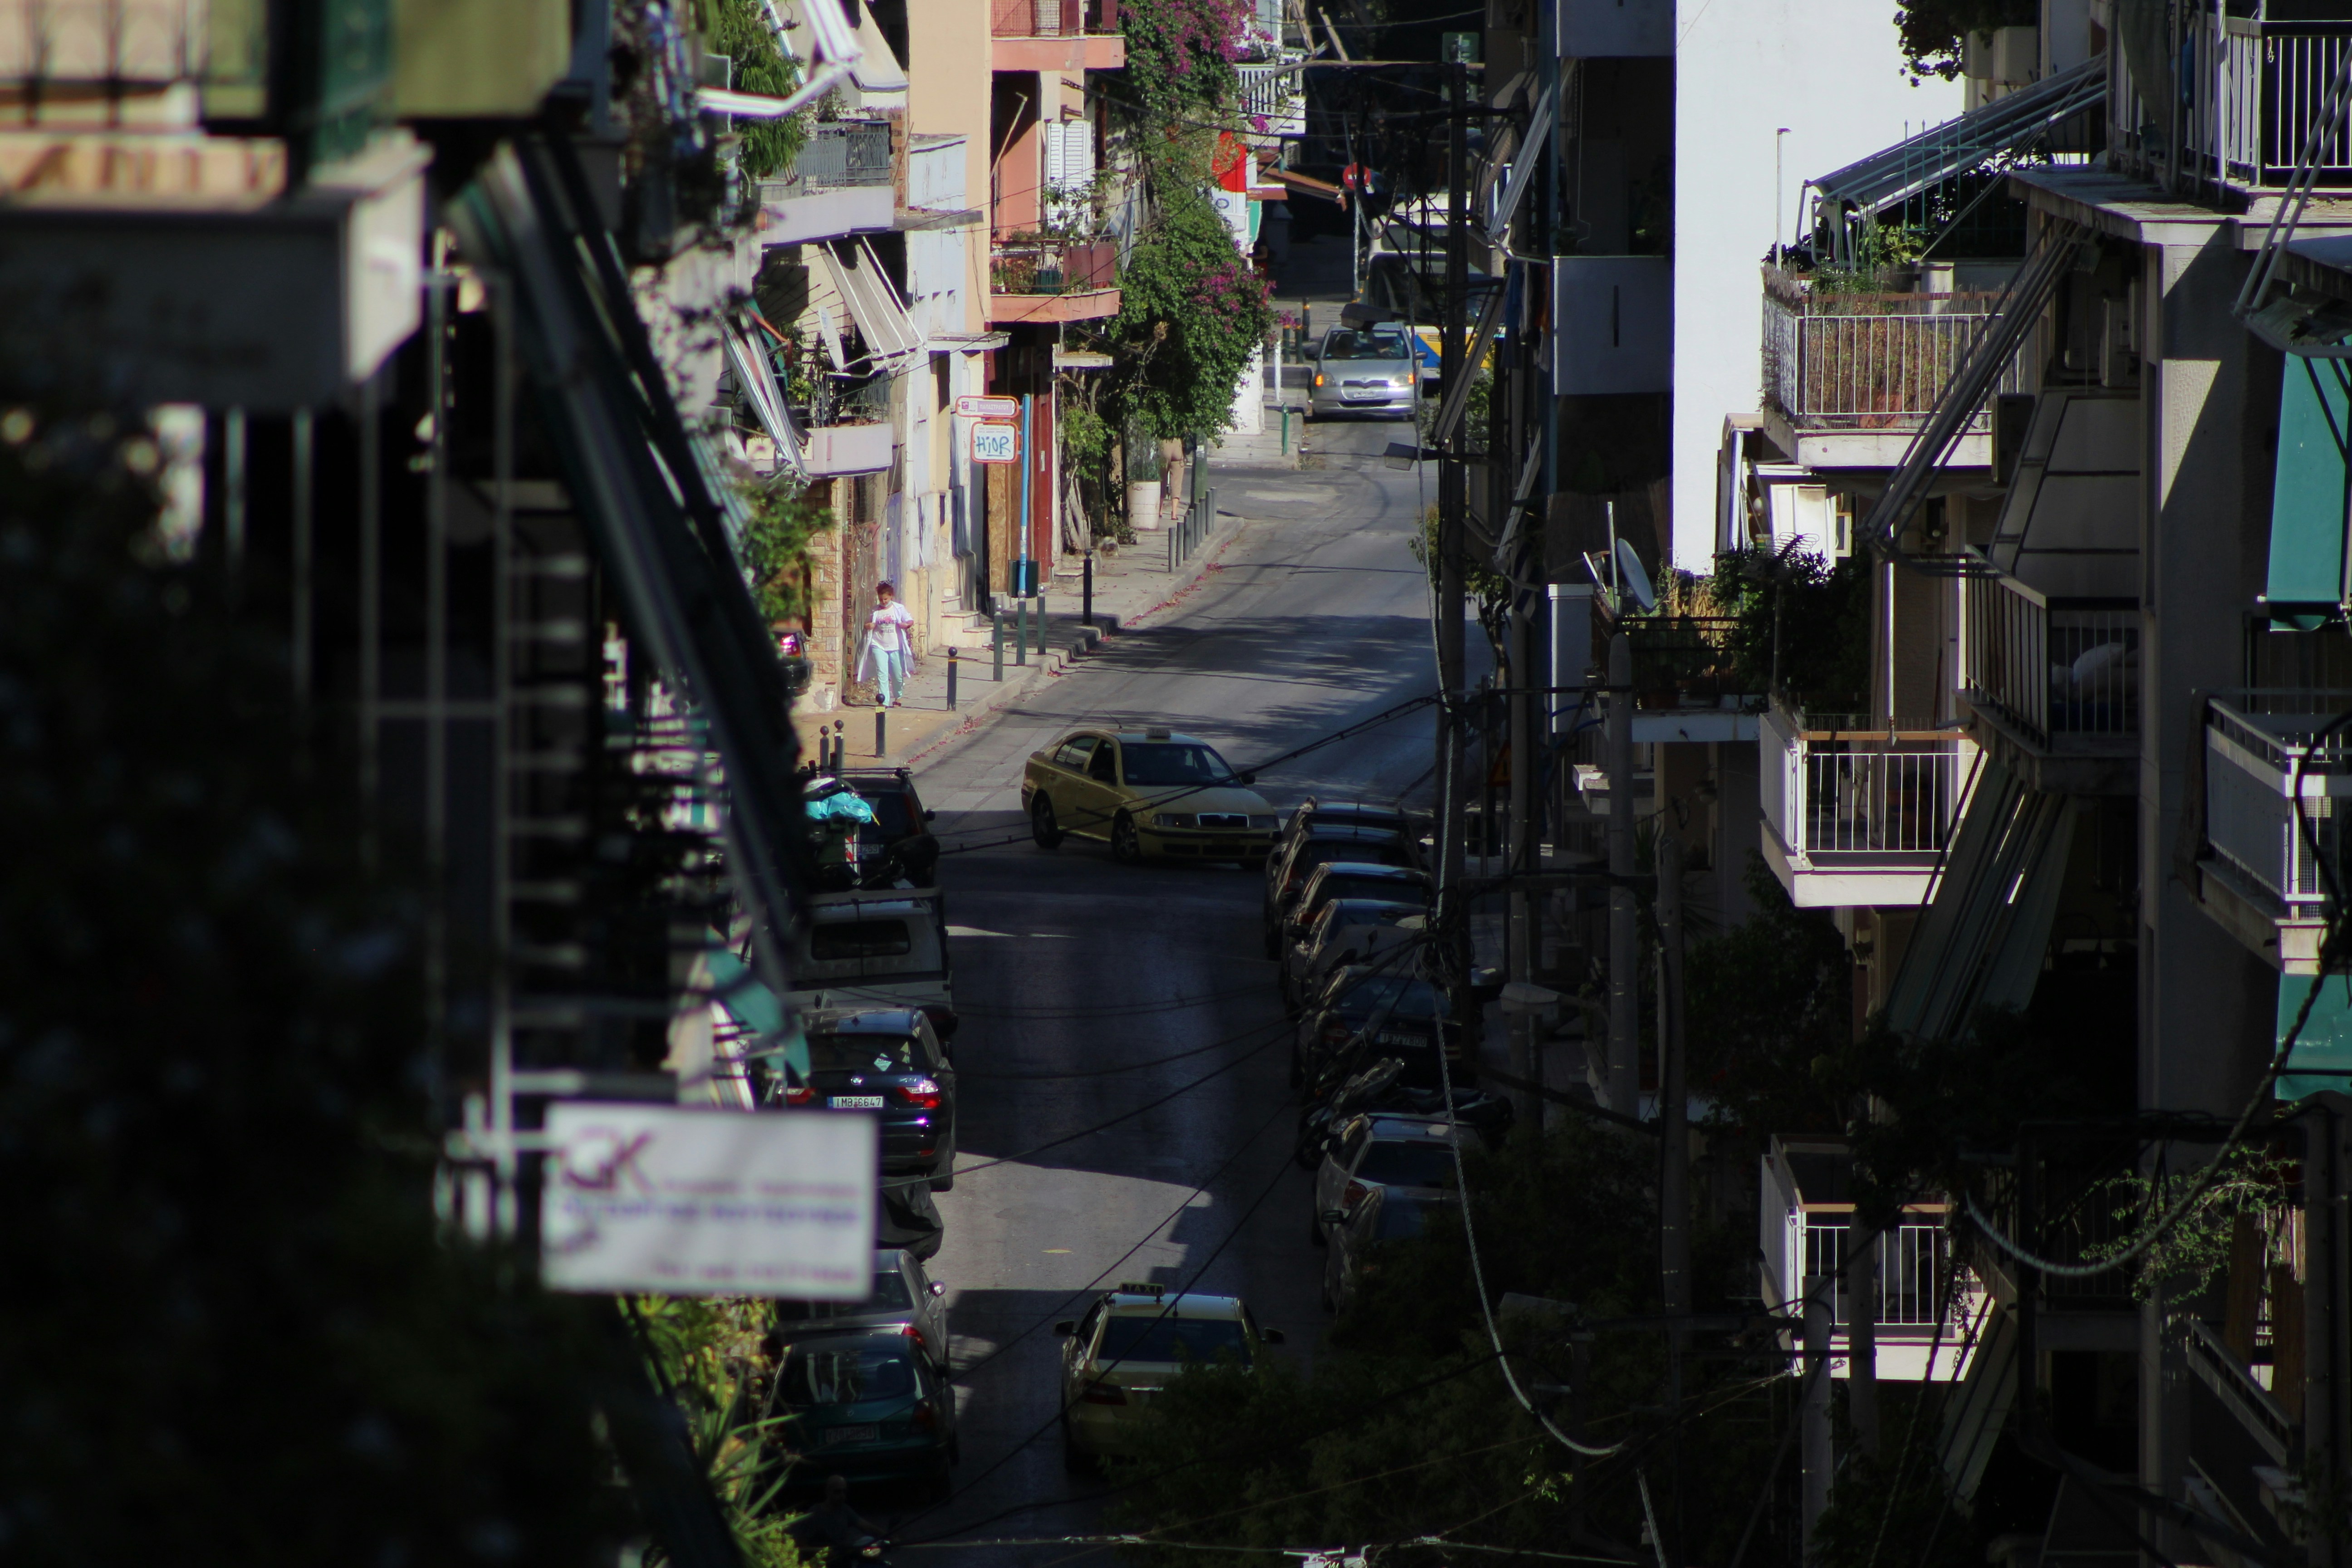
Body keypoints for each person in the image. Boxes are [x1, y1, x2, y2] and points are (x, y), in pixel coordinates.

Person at [789, 1475, 883, 1566]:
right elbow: (801, 1546)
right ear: (828, 1492)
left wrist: (887, 1536)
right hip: (823, 1563)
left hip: (842, 1559)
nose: (842, 1496)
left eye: (844, 1492)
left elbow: (866, 1526)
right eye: (837, 1492)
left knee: (868, 1541)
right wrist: (824, 1553)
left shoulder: (845, 1510)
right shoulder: (815, 1514)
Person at [856, 581, 915, 707]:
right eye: (881, 599)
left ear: (891, 596)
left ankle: (898, 696)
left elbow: (910, 620)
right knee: (882, 673)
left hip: (895, 646)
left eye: (886, 599)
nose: (883, 602)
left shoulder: (898, 609)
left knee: (897, 674)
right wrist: (869, 626)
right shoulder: (875, 611)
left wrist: (906, 625)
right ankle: (884, 701)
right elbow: (867, 624)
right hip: (878, 644)